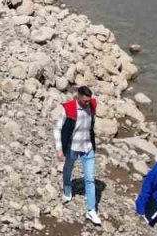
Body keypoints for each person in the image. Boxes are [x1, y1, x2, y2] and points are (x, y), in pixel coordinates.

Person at [54, 85, 102, 226]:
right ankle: (67, 188)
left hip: (88, 148)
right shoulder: (68, 108)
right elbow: (57, 129)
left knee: (90, 179)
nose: (87, 103)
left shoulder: (92, 105)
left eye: (89, 100)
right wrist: (59, 149)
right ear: (78, 97)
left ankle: (91, 210)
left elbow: (91, 125)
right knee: (68, 168)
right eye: (85, 101)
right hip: (72, 147)